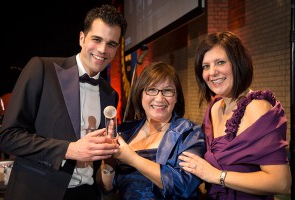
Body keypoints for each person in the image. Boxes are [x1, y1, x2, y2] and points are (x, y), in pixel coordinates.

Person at [0, 4, 127, 200]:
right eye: (97, 39)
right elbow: (9, 136)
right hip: (38, 192)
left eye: (111, 44)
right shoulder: (42, 69)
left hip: (86, 193)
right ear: (82, 38)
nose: (102, 49)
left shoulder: (110, 94)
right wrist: (69, 149)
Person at [178, 31, 292, 199]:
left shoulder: (257, 107)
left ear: (238, 63)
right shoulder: (214, 107)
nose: (212, 72)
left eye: (220, 62)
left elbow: (281, 182)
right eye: (205, 66)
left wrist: (216, 175)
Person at [98, 62, 206, 199]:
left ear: (176, 97)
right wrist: (108, 160)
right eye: (152, 89)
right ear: (140, 94)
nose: (159, 98)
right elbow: (107, 188)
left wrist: (132, 159)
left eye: (167, 91)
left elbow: (184, 186)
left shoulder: (189, 132)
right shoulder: (125, 131)